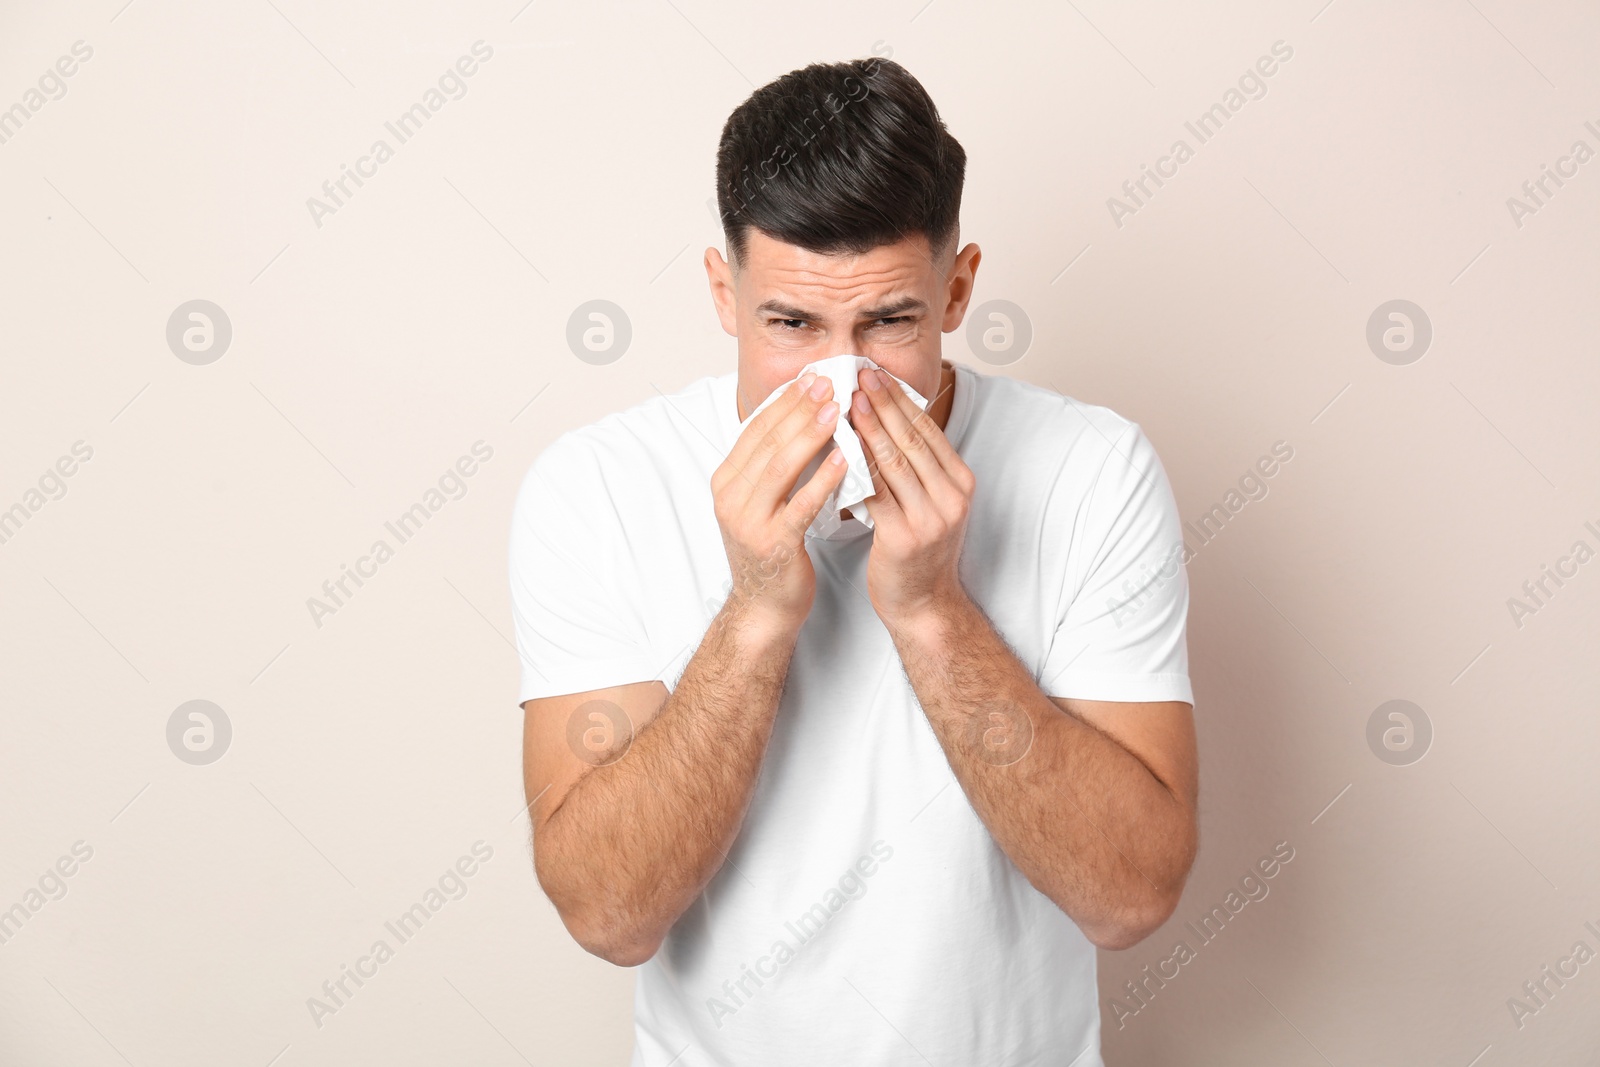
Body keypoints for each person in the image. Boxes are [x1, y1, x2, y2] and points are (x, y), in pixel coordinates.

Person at [509, 56, 1198, 1067]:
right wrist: (752, 613)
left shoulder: (1092, 471)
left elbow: (1132, 894)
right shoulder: (597, 486)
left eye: (888, 322)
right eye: (790, 324)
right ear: (722, 291)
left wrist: (931, 612)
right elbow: (610, 915)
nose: (842, 379)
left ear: (956, 289)